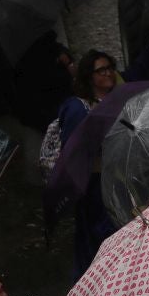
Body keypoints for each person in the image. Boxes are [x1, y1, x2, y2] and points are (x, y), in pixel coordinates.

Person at [56, 50, 121, 275]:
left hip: (115, 178)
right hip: (94, 185)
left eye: (110, 68)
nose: (108, 73)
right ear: (89, 76)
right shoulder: (78, 108)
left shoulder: (117, 101)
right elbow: (74, 150)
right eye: (100, 70)